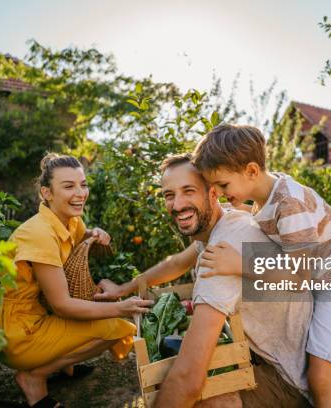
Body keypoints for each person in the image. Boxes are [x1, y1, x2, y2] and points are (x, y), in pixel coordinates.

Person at [95, 154, 313, 407]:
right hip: (278, 358)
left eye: (189, 191)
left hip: (284, 382)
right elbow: (176, 263)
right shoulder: (222, 222)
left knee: (187, 390)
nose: (177, 205)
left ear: (213, 192)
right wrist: (122, 289)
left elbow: (188, 379)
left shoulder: (221, 252)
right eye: (169, 194)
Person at [191, 124, 331, 408]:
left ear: (250, 171)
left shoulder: (289, 204)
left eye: (223, 185)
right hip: (316, 278)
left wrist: (241, 263)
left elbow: (298, 277)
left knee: (322, 375)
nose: (221, 194)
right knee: (315, 360)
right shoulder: (263, 199)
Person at [0, 153, 152, 408]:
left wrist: (95, 233)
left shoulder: (68, 221)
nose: (80, 193)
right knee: (116, 326)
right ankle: (34, 377)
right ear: (47, 193)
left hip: (37, 314)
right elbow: (62, 306)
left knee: (96, 316)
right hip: (19, 333)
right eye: (68, 186)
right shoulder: (38, 234)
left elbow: (79, 237)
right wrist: (120, 307)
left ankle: (63, 364)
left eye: (83, 184)